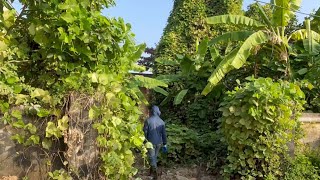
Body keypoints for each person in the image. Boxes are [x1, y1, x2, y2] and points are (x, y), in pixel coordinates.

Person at [143, 105, 167, 179]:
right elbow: (164, 134)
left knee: (152, 157)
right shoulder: (162, 122)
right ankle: (151, 173)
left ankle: (155, 173)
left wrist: (145, 142)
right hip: (159, 143)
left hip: (150, 142)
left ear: (151, 111)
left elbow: (145, 132)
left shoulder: (148, 120)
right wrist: (165, 144)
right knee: (154, 157)